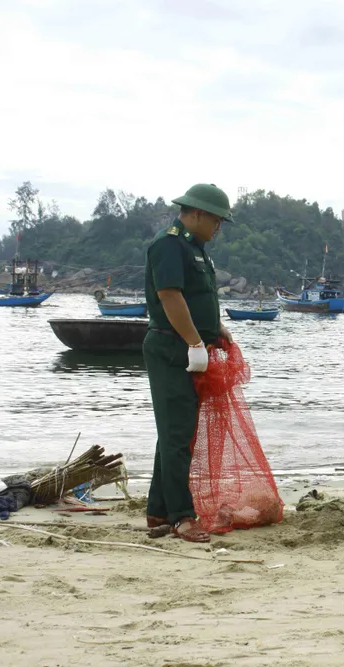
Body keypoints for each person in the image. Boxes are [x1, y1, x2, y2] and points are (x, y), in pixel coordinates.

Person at [144, 183, 235, 543]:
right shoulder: (169, 245)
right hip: (172, 349)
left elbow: (198, 298)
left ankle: (158, 509)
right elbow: (169, 295)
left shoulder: (195, 248)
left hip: (191, 348)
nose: (218, 228)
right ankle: (182, 516)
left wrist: (216, 330)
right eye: (216, 220)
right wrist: (194, 342)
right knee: (177, 434)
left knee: (175, 432)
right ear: (196, 213)